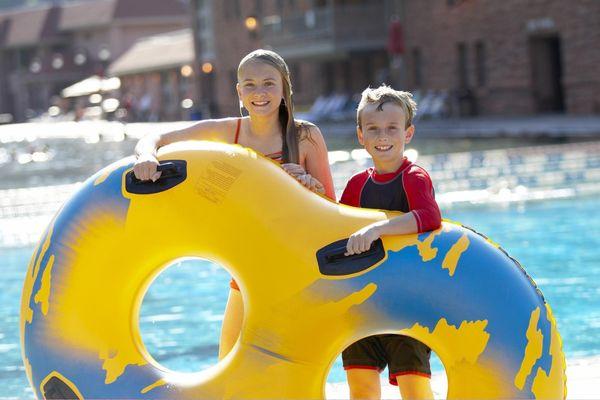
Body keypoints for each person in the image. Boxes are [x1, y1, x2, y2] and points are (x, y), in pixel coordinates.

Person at [132, 49, 335, 360]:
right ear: (239, 92)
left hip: (296, 265)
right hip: (247, 264)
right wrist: (146, 156)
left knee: (288, 362)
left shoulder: (305, 136)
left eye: (269, 83)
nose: (260, 93)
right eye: (250, 85)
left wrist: (309, 187)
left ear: (284, 88)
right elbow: (156, 137)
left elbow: (331, 211)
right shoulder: (231, 132)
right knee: (228, 359)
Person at [339, 85, 441, 400]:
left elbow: (429, 216)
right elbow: (335, 226)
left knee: (414, 389)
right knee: (361, 388)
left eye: (392, 128)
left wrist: (377, 229)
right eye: (373, 129)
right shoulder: (357, 185)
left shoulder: (414, 177)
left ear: (407, 133)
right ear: (360, 136)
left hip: (409, 306)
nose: (383, 136)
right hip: (365, 305)